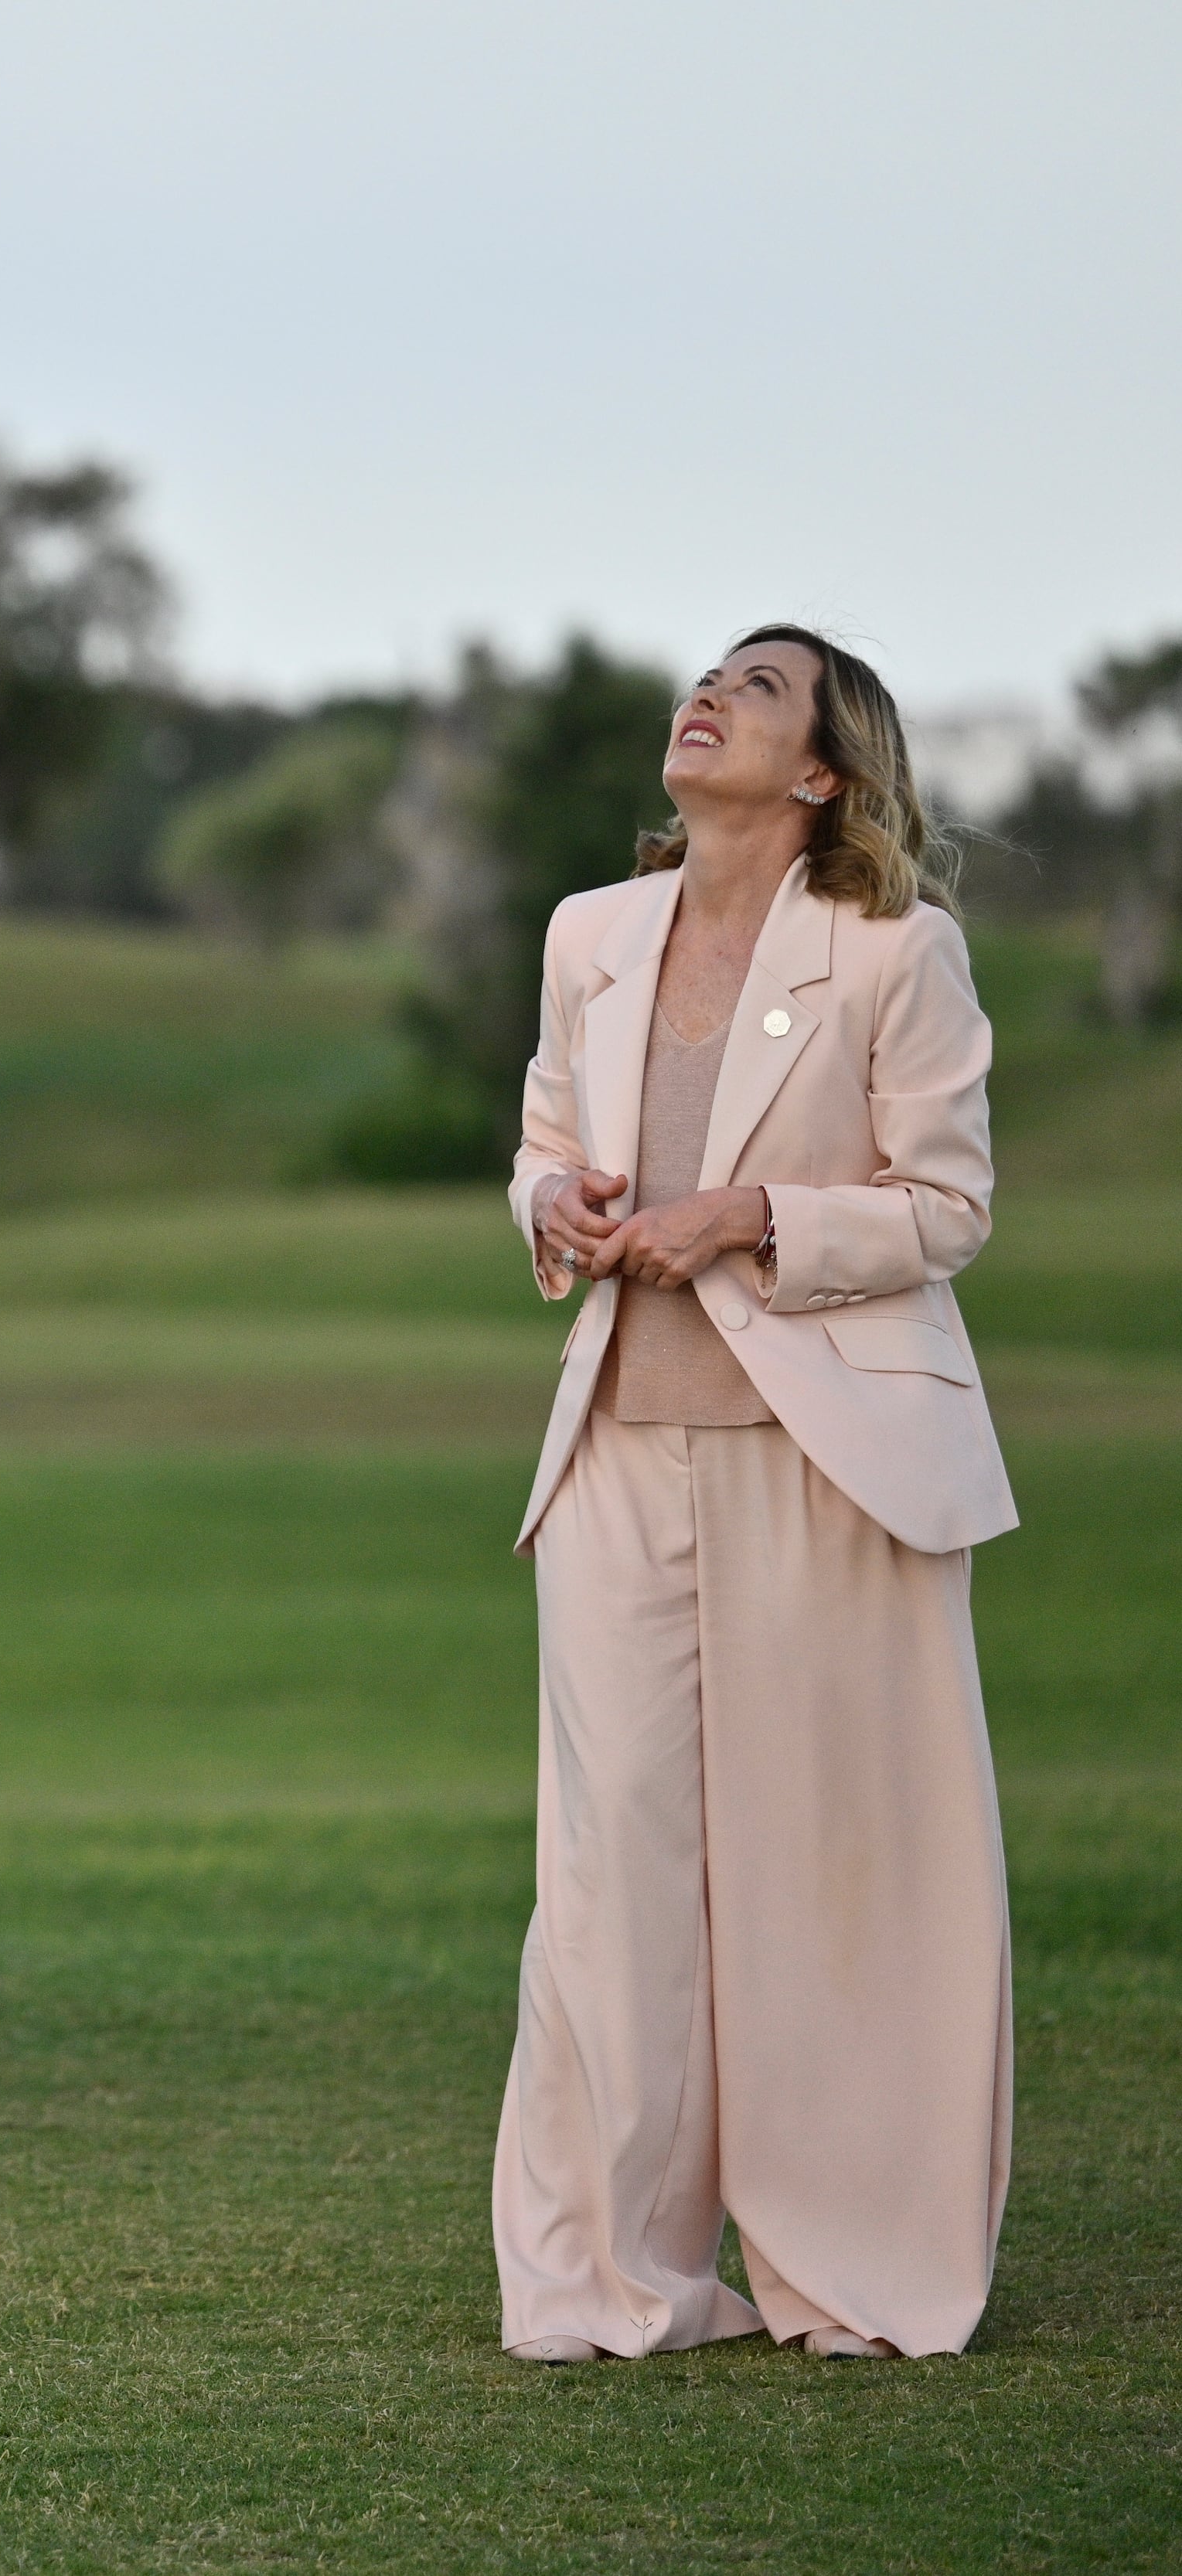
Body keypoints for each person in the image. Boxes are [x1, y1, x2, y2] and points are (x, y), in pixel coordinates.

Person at [500, 626, 1016, 2363]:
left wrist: (754, 1217)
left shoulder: (896, 949)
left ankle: (851, 2264)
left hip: (832, 1457)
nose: (704, 693)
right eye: (705, 672)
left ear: (821, 770)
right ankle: (611, 2283)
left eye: (761, 685)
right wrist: (553, 1205)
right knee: (610, 1869)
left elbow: (943, 1208)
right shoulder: (589, 932)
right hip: (617, 1448)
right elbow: (542, 1141)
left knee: (834, 1866)